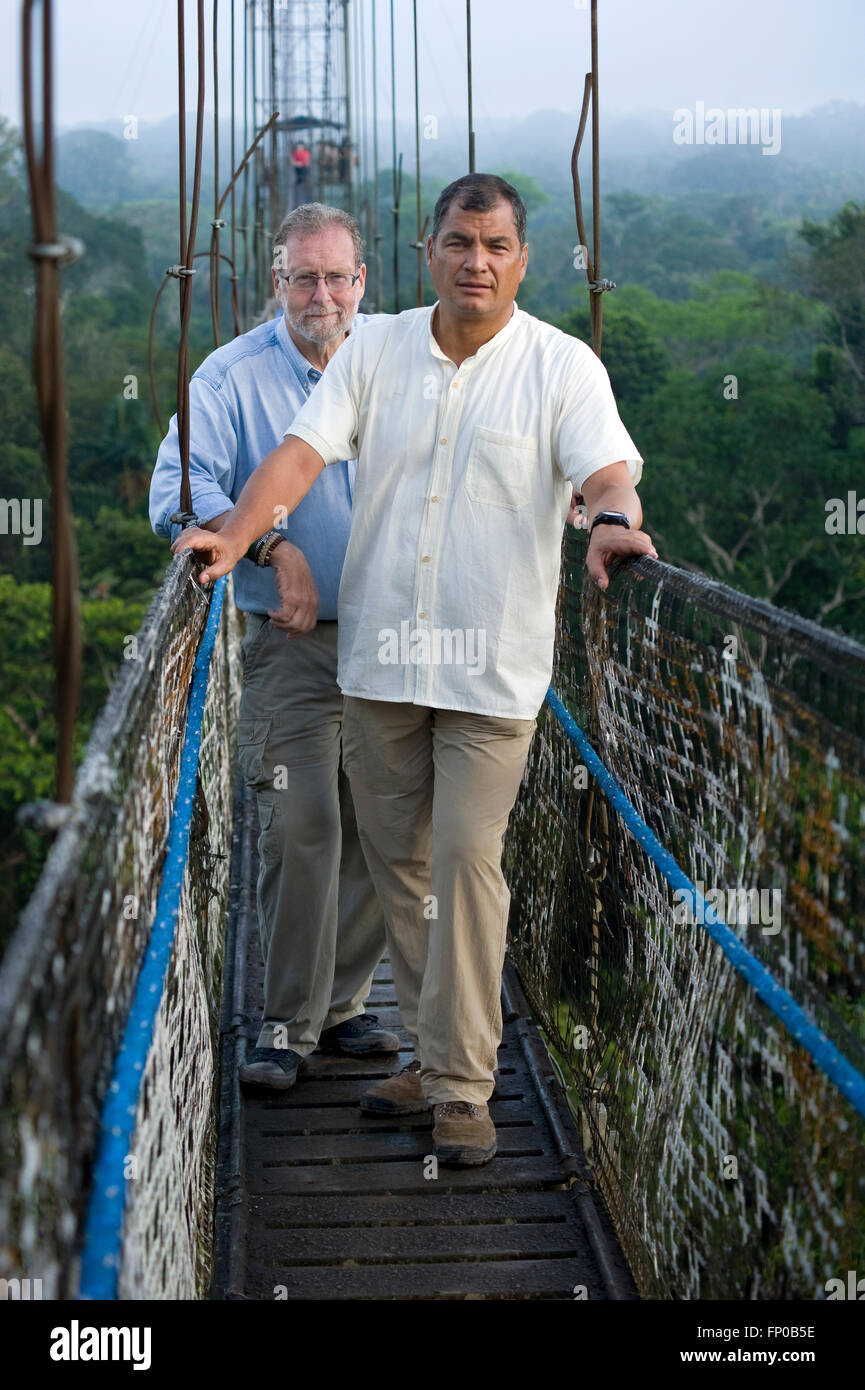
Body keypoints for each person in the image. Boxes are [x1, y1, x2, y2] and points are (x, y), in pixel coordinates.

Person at [172, 174, 657, 1162]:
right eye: (456, 243)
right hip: (378, 669)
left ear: (520, 259)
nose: (474, 261)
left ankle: (465, 1091)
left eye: (494, 246)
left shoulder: (561, 368)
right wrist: (240, 537)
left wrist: (613, 519)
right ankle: (433, 1061)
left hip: (489, 675)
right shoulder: (377, 348)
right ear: (426, 254)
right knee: (401, 874)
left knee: (465, 863)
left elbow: (605, 466)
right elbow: (301, 455)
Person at [150, 202, 397, 1091]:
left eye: (337, 276)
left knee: (382, 826)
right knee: (302, 824)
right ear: (276, 282)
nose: (320, 294)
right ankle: (285, 1024)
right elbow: (178, 494)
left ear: (362, 282)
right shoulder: (230, 376)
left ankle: (341, 1003)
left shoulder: (400, 357)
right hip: (293, 644)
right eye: (302, 276)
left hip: (406, 639)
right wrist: (266, 543)